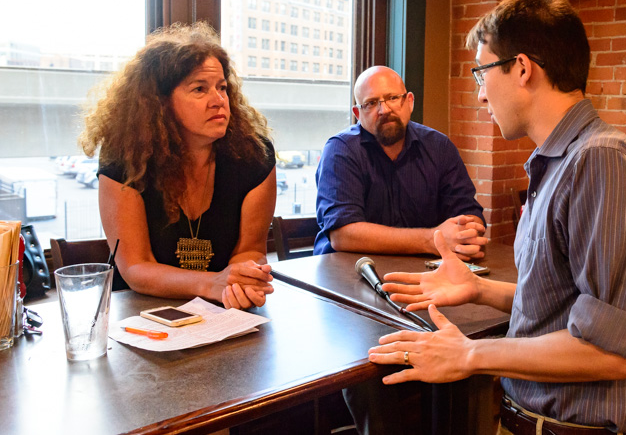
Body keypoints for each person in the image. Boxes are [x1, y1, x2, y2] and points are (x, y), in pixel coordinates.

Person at [368, 0, 626, 435]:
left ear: (522, 69)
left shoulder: (601, 161)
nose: (479, 96)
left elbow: (618, 350)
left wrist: (471, 354)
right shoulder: (561, 162)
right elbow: (568, 310)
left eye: (481, 74)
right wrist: (478, 290)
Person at [80, 22, 276, 310]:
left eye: (222, 87)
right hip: (141, 314)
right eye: (200, 89)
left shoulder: (253, 154)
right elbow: (136, 268)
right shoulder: (124, 157)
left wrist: (241, 279)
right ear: (159, 103)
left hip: (223, 312)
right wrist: (213, 283)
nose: (219, 100)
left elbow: (250, 249)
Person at [314, 65, 487, 260]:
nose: (384, 110)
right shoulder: (340, 151)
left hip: (425, 275)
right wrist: (432, 240)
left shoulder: (439, 147)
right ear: (357, 113)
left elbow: (468, 213)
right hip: (348, 276)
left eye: (392, 98)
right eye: (371, 103)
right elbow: (343, 235)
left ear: (409, 102)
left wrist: (466, 233)